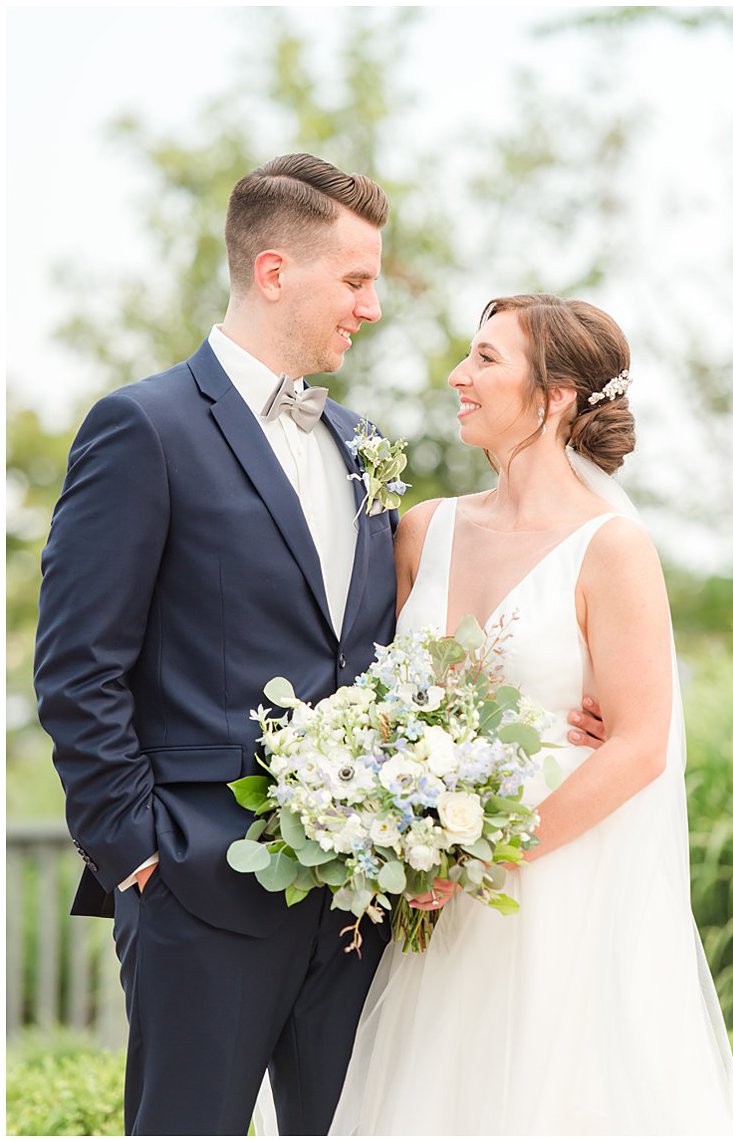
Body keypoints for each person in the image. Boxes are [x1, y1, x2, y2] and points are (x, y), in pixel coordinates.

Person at [34, 153, 396, 1135]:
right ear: (275, 272)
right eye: (356, 280)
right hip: (198, 884)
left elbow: (369, 646)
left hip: (357, 904)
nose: (371, 305)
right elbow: (77, 663)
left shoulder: (363, 443)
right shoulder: (141, 427)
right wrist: (137, 851)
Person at [329, 294, 733, 1134]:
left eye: (486, 359)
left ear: (556, 396)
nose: (459, 375)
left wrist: (482, 858)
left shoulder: (613, 548)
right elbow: (369, 694)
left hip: (553, 888)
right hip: (429, 893)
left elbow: (638, 746)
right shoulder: (421, 530)